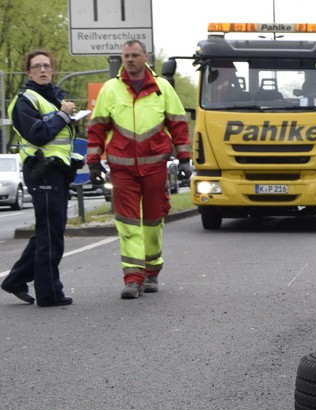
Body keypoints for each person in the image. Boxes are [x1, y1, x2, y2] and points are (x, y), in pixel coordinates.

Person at [86, 40, 191, 299]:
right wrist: (93, 161)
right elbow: (97, 127)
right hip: (122, 169)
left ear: (146, 57)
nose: (130, 60)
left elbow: (178, 124)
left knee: (153, 221)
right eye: (126, 56)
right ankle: (133, 278)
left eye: (135, 55)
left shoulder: (162, 88)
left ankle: (152, 271)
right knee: (128, 221)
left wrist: (185, 157)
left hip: (155, 167)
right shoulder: (110, 89)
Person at [2, 50, 85, 307]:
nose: (42, 70)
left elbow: (59, 134)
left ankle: (15, 279)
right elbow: (38, 135)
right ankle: (49, 294)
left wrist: (71, 117)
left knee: (48, 231)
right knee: (51, 234)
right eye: (37, 66)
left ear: (52, 70)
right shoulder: (24, 101)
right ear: (28, 72)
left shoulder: (53, 96)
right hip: (42, 169)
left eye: (46, 66)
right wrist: (62, 115)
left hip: (57, 170)